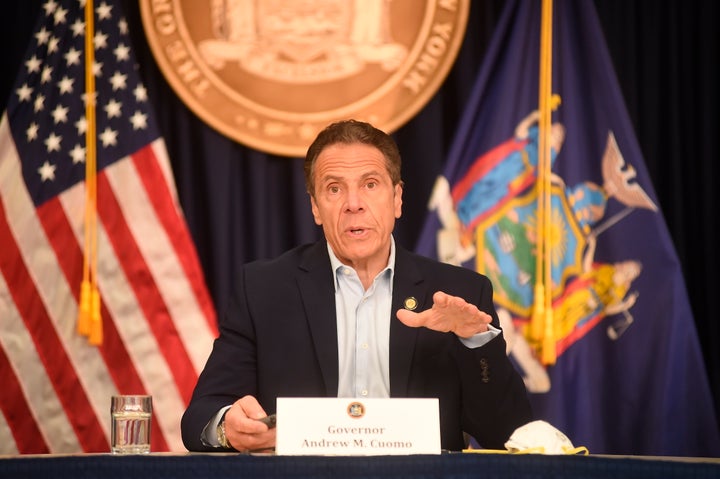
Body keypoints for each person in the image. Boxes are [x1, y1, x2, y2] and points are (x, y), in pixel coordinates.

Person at [181, 119, 533, 452]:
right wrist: (227, 427)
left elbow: (509, 433)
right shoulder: (264, 290)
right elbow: (200, 417)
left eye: (370, 184)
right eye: (334, 189)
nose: (353, 205)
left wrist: (475, 339)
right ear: (316, 207)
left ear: (397, 199)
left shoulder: (460, 292)